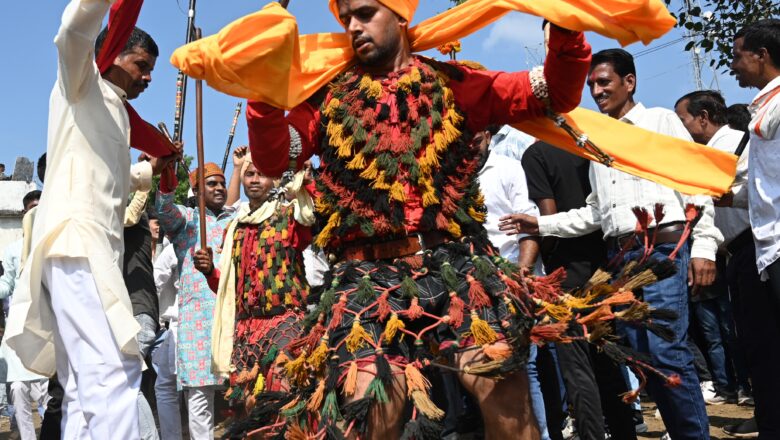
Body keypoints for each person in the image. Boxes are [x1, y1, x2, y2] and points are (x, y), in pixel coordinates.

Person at [502, 48, 721, 439]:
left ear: (629, 82)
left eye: (604, 82)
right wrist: (539, 222)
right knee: (643, 358)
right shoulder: (597, 144)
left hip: (663, 250)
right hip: (622, 260)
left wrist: (704, 247)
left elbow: (694, 185)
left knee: (666, 352)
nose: (597, 91)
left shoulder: (659, 121)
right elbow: (593, 213)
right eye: (592, 86)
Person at [2, 1, 180, 438]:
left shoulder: (114, 109)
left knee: (84, 385)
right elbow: (74, 29)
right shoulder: (81, 82)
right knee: (112, 370)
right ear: (113, 53)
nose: (148, 77)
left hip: (90, 249)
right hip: (77, 242)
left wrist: (149, 171)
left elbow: (108, 175)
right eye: (142, 64)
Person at [521, 139, 641, 439]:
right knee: (608, 362)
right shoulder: (590, 148)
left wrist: (543, 257)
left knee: (577, 370)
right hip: (603, 268)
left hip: (565, 275)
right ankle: (625, 430)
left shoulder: (536, 154)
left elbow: (546, 212)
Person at [192, 155, 314, 419]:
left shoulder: (290, 216)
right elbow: (228, 289)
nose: (255, 180)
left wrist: (307, 180)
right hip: (246, 330)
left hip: (285, 322)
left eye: (261, 174)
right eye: (249, 175)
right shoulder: (234, 229)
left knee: (284, 399)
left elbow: (312, 216)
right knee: (251, 409)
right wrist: (209, 271)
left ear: (273, 179)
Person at [720, 18, 780, 438]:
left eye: (739, 56)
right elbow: (767, 186)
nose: (733, 65)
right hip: (767, 248)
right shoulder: (764, 109)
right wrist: (734, 197)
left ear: (762, 56)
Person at [674, 90, 753, 405]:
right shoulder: (712, 152)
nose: (680, 130)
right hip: (735, 250)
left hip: (752, 243)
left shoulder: (730, 148)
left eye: (683, 121)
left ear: (703, 118)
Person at [155, 160, 240, 440]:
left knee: (243, 390)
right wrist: (168, 171)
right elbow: (164, 210)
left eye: (222, 183)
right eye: (212, 183)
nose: (219, 188)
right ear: (197, 190)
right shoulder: (188, 220)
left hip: (233, 317)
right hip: (196, 322)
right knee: (200, 397)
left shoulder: (235, 221)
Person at [0, 191, 49, 440]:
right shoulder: (11, 250)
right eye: (32, 208)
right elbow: (6, 285)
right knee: (18, 390)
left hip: (47, 330)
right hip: (19, 331)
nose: (36, 213)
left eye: (41, 208)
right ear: (24, 214)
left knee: (50, 398)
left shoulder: (54, 244)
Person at [124, 186, 161, 440]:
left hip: (137, 313)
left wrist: (146, 172)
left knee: (126, 381)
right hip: (129, 315)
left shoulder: (132, 221)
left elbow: (132, 208)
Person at [152, 240, 182, 440]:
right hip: (176, 325)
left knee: (168, 387)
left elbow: (155, 282)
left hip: (181, 325)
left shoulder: (175, 247)